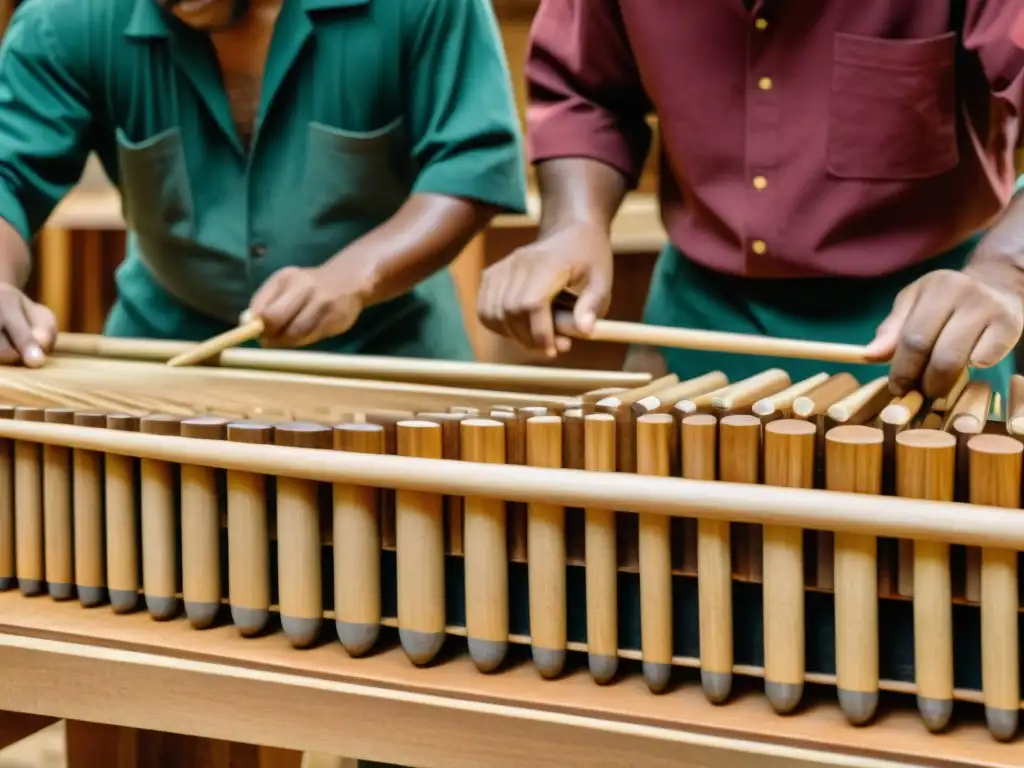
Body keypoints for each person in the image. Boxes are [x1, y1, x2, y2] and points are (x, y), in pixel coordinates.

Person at [478, 1, 1024, 400]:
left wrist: (1004, 270)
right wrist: (573, 222)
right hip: (697, 321)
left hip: (926, 329)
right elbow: (583, 91)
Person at [0, 0, 525, 366]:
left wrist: (355, 276)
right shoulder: (61, 19)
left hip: (388, 355)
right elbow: (8, 175)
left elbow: (468, 164)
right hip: (164, 358)